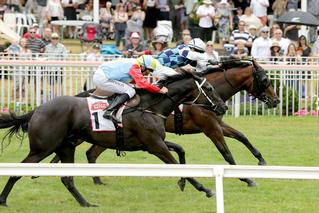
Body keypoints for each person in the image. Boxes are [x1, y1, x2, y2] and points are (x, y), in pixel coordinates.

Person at [92, 55, 168, 122]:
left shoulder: (134, 64)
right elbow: (143, 83)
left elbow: (138, 84)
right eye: (149, 70)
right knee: (130, 91)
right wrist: (159, 90)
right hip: (103, 77)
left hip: (104, 75)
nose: (148, 74)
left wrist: (154, 87)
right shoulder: (135, 66)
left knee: (131, 88)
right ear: (143, 66)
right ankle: (109, 111)